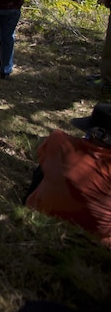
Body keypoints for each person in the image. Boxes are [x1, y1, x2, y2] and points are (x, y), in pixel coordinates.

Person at [24, 103, 111, 246]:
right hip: (95, 242)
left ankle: (34, 202)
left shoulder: (59, 141)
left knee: (45, 167)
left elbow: (42, 161)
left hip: (40, 216)